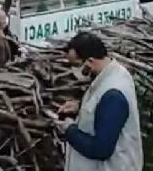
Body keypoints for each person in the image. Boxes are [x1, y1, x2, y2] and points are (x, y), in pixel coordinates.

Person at [57, 32, 143, 171]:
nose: (74, 70)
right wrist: (80, 108)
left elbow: (101, 149)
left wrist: (69, 129)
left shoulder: (113, 93)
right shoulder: (110, 76)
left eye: (76, 65)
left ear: (90, 61)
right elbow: (103, 112)